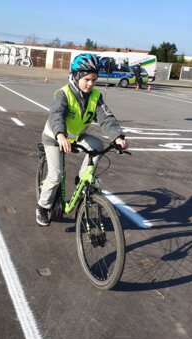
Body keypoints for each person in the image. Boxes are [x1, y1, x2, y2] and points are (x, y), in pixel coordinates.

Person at [36, 53, 128, 226]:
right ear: (75, 76)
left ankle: (82, 178)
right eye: (87, 79)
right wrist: (60, 135)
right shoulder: (63, 94)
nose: (91, 84)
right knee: (55, 176)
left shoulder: (95, 96)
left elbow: (106, 118)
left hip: (76, 137)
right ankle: (42, 207)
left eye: (94, 79)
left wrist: (117, 137)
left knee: (98, 145)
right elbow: (56, 115)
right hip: (55, 137)